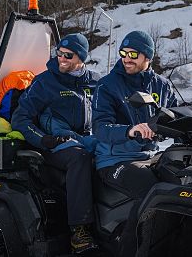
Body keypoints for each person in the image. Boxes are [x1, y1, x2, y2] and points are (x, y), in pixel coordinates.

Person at [12, 33, 100, 254]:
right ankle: (79, 230)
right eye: (59, 53)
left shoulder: (95, 81)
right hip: (54, 144)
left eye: (68, 55)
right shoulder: (45, 82)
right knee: (80, 158)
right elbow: (20, 119)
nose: (61, 58)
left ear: (81, 57)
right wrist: (43, 140)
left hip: (86, 139)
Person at [92, 30, 177, 257]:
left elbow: (177, 117)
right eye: (123, 52)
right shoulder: (107, 85)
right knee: (151, 191)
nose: (126, 58)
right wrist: (130, 131)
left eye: (133, 54)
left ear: (148, 58)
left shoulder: (162, 86)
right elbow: (99, 128)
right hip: (114, 159)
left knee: (183, 183)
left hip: (150, 155)